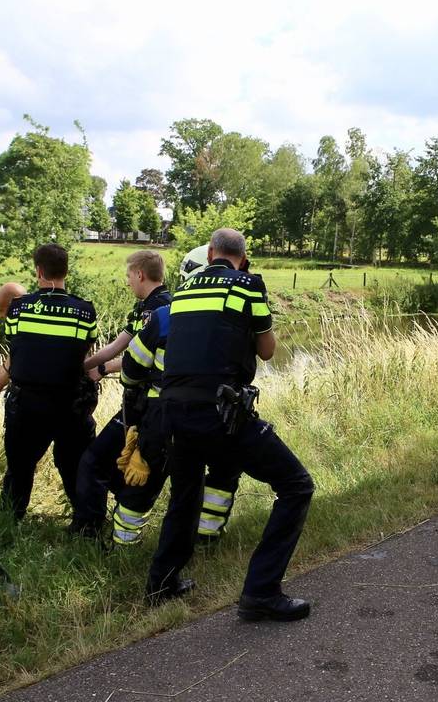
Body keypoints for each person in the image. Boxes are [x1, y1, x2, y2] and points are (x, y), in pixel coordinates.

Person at [126, 228, 314, 621]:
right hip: (221, 413)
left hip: (173, 414)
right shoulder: (248, 286)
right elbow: (267, 351)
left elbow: (141, 361)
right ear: (241, 260)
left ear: (210, 254)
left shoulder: (181, 295)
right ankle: (261, 592)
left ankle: (162, 585)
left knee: (185, 496)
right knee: (296, 485)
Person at [95, 245, 243, 546]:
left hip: (165, 416)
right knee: (221, 473)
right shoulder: (235, 315)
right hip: (220, 415)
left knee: (145, 477)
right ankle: (206, 538)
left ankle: (125, 542)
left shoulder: (165, 315)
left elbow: (132, 368)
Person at [0, 244, 98, 519]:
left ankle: (9, 521)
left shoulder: (18, 310)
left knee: (19, 467)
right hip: (70, 404)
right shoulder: (85, 312)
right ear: (66, 271)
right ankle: (88, 524)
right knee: (75, 466)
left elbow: (16, 357)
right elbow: (83, 354)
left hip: (27, 405)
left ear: (38, 271)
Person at [69, 250, 176, 539]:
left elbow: (138, 359)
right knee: (115, 464)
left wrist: (103, 369)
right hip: (137, 404)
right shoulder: (144, 307)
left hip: (147, 406)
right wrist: (79, 367)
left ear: (140, 274)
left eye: (129, 275)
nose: (127, 281)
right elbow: (117, 346)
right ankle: (111, 516)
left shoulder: (160, 309)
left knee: (93, 460)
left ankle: (88, 529)